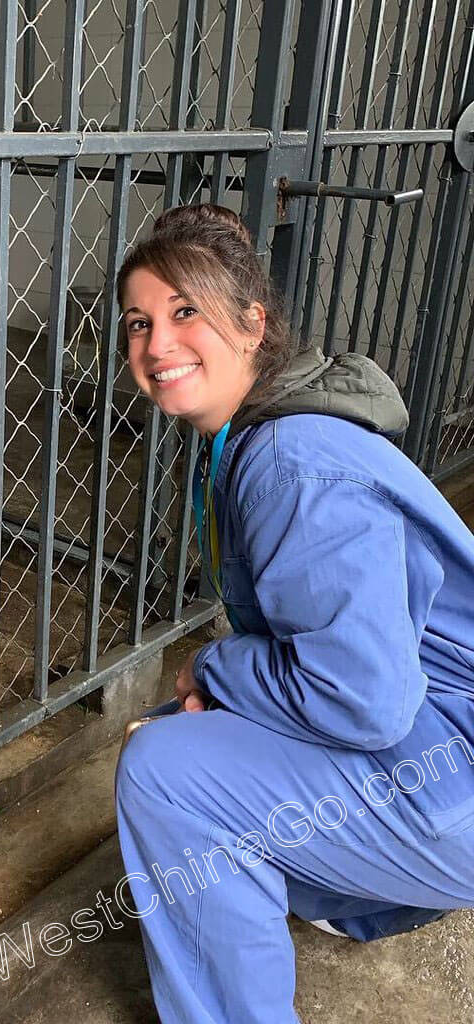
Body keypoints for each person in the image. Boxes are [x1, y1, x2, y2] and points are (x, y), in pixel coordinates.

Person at [113, 203, 474, 1023]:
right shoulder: (262, 428)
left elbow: (364, 698)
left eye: (185, 312)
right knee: (192, 726)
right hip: (445, 734)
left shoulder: (289, 462)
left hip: (446, 767)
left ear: (252, 323)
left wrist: (214, 668)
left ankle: (340, 905)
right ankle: (344, 891)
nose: (156, 344)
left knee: (164, 770)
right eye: (138, 322)